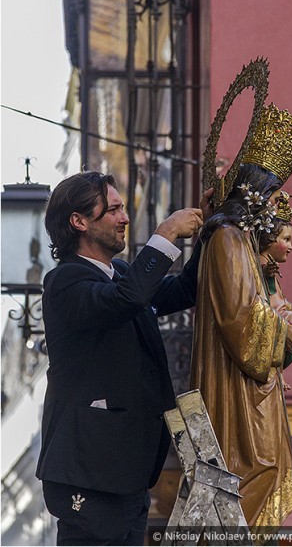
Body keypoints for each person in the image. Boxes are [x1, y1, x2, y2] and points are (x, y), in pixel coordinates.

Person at [36, 170, 212, 546]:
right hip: (90, 472)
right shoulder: (65, 281)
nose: (125, 217)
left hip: (126, 471)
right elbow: (126, 301)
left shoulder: (120, 273)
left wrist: (212, 230)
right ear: (79, 221)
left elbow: (184, 289)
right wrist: (164, 234)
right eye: (112, 209)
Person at [190, 103, 292, 533]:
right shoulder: (227, 239)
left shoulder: (238, 241)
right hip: (238, 395)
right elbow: (244, 325)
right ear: (254, 194)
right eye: (273, 195)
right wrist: (287, 325)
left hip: (251, 390)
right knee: (251, 478)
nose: (277, 205)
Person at [259, 191, 292, 391]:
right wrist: (268, 272)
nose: (291, 247)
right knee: (291, 320)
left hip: (274, 315)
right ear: (269, 239)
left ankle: (279, 370)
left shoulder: (268, 265)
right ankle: (277, 369)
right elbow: (266, 294)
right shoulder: (261, 265)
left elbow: (279, 299)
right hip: (268, 318)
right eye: (286, 240)